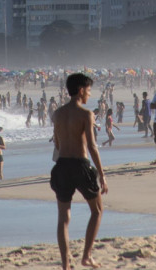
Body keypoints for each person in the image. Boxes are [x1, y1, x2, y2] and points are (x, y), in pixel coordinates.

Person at [50, 72, 108, 270]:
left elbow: (57, 143)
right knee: (97, 211)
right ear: (81, 90)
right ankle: (86, 256)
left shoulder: (57, 114)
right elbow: (92, 146)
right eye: (89, 90)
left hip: (61, 166)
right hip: (80, 165)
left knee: (63, 218)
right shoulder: (86, 114)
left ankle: (66, 265)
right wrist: (102, 175)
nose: (90, 94)